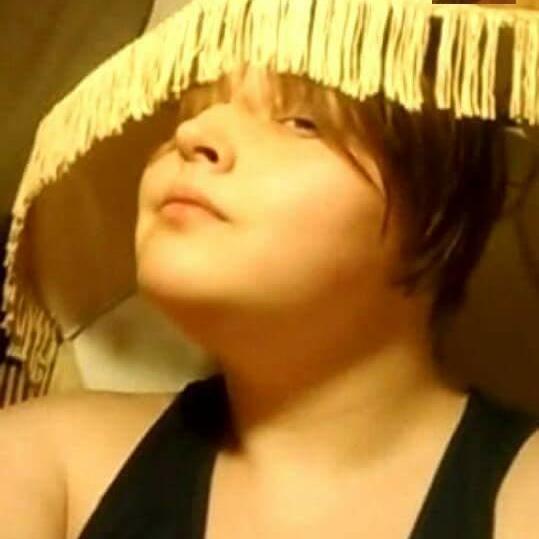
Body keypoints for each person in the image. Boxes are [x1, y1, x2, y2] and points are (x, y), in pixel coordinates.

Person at [0, 1, 538, 538]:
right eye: (189, 111)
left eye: (302, 122)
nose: (193, 134)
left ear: (438, 211)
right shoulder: (44, 463)